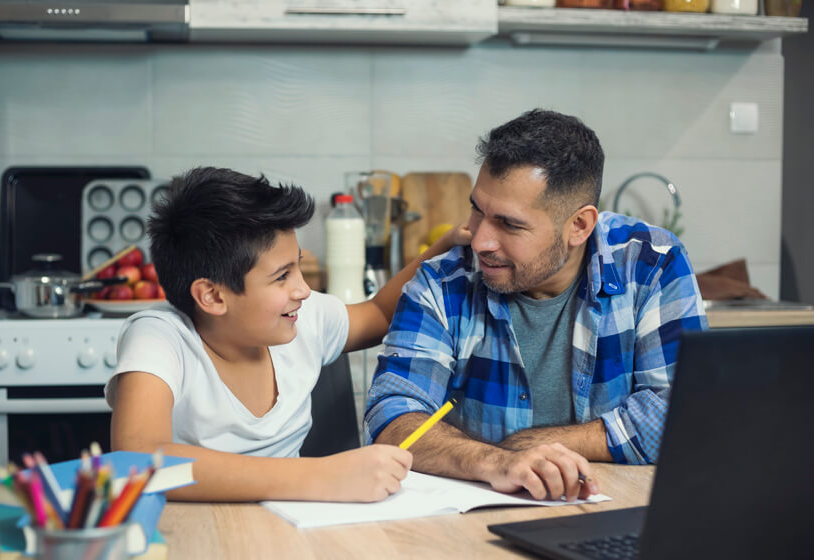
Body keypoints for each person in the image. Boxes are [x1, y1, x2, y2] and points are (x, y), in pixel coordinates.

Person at [365, 109, 707, 503]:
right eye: (478, 209)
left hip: (618, 509)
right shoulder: (442, 281)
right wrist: (495, 461)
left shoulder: (651, 262)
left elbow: (685, 412)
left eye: (509, 224)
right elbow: (391, 413)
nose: (479, 242)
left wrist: (542, 443)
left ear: (579, 226)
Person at [107, 166, 468, 503]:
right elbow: (138, 460)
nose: (304, 290)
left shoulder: (304, 318)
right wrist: (321, 477)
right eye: (282, 276)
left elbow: (380, 312)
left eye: (298, 266)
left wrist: (447, 244)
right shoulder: (160, 337)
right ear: (213, 296)